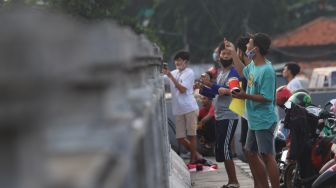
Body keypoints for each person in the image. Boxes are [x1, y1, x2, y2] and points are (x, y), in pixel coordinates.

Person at [225, 33, 280, 188]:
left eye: (249, 44)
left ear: (255, 48)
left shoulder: (267, 70)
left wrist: (245, 95)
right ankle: (263, 185)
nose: (246, 47)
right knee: (250, 152)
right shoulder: (254, 65)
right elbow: (243, 72)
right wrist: (234, 54)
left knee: (268, 156)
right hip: (254, 119)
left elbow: (267, 97)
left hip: (264, 119)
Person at [200, 42, 241, 188]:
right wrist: (201, 88)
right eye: (223, 54)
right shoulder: (220, 73)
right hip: (219, 115)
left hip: (229, 115)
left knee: (225, 148)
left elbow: (230, 90)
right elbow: (215, 92)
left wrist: (211, 85)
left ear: (233, 56)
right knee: (221, 150)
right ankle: (231, 181)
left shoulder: (234, 72)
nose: (225, 56)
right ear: (219, 57)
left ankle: (234, 182)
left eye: (229, 54)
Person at [163, 51, 202, 164]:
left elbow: (182, 89)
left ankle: (193, 159)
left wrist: (170, 76)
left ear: (186, 62)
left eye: (180, 60)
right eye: (176, 60)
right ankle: (197, 154)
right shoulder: (174, 72)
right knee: (180, 137)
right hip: (178, 109)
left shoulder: (189, 72)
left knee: (191, 135)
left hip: (189, 107)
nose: (177, 62)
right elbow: (162, 80)